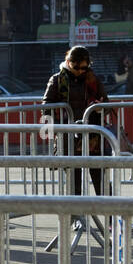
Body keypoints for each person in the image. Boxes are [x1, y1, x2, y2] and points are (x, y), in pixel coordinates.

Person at [43, 45, 109, 196]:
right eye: (76, 66)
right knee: (75, 183)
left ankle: (109, 218)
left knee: (101, 181)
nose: (80, 71)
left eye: (84, 67)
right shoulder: (57, 80)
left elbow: (106, 103)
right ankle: (77, 218)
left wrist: (101, 107)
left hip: (92, 136)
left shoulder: (93, 79)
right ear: (68, 61)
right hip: (68, 137)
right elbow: (46, 107)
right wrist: (57, 129)